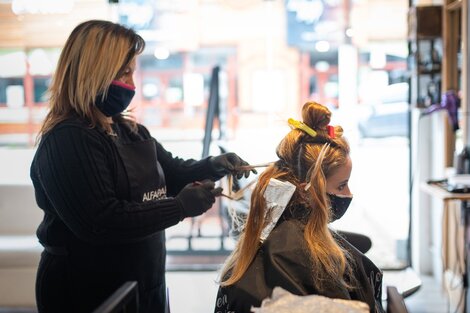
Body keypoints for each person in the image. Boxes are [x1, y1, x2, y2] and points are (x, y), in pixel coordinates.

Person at [30, 20, 255, 313]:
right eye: (125, 72)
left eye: (132, 72)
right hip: (89, 291)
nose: (132, 84)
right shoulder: (68, 140)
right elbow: (101, 221)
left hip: (143, 281)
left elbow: (170, 174)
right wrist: (179, 207)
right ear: (94, 71)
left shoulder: (129, 130)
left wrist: (214, 166)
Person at [214, 101, 384, 313]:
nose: (348, 194)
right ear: (306, 191)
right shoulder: (294, 253)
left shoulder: (271, 233)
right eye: (341, 185)